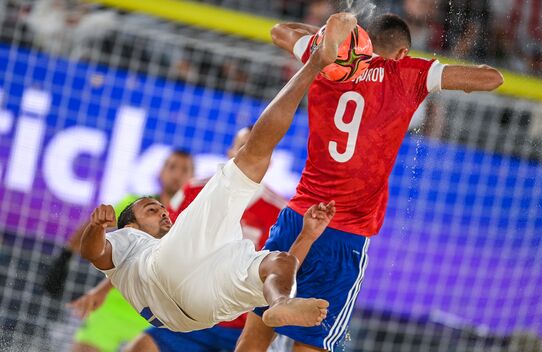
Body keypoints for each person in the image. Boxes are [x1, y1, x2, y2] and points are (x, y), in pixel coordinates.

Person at [236, 13, 504, 352]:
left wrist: (329, 39)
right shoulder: (408, 73)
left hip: (297, 215)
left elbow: (279, 31)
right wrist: (432, 71)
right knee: (314, 345)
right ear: (403, 53)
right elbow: (491, 79)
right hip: (346, 233)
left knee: (253, 338)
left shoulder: (327, 59)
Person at [78, 12, 356, 338]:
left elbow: (285, 266)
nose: (163, 210)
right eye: (151, 210)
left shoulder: (186, 234)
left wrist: (307, 235)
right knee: (252, 156)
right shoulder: (130, 242)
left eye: (160, 207)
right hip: (175, 284)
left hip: (201, 308)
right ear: (131, 225)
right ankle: (316, 62)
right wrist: (97, 228)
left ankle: (280, 302)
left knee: (277, 263)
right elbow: (91, 252)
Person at [77, 127, 287, 352]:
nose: (253, 149)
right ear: (230, 152)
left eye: (259, 145)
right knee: (141, 347)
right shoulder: (195, 190)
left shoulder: (278, 211)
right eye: (243, 144)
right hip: (186, 312)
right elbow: (150, 248)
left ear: (270, 159)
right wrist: (103, 288)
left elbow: (278, 271)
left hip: (239, 322)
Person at [48, 149, 194, 352]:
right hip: (114, 304)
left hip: (153, 314)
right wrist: (65, 256)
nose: (177, 174)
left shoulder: (188, 218)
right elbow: (94, 224)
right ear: (160, 172)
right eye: (172, 167)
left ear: (192, 177)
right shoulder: (136, 205)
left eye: (184, 169)